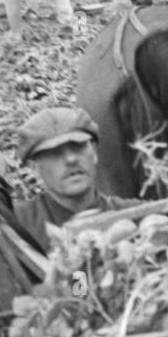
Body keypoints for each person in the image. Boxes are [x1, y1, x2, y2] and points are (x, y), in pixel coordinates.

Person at [14, 106, 113, 252]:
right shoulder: (18, 226)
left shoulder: (135, 214)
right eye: (55, 153)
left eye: (77, 146)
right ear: (34, 168)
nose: (71, 159)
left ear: (94, 152)